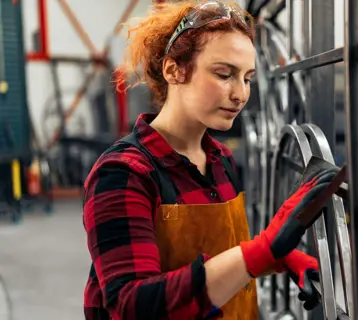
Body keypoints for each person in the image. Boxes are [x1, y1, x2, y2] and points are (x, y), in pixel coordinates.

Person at [82, 1, 332, 319]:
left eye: (248, 78)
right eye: (224, 74)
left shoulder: (220, 159)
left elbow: (218, 258)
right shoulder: (123, 174)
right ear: (174, 70)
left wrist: (279, 259)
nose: (241, 94)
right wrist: (261, 250)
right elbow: (132, 306)